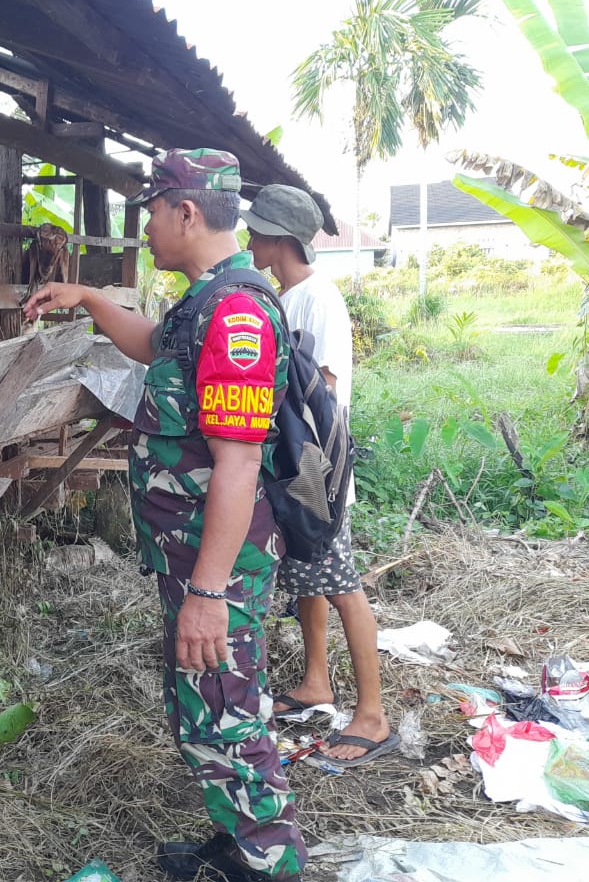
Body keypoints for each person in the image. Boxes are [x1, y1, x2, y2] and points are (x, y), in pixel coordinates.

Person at [24, 150, 305, 882]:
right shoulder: (204, 299)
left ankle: (268, 863)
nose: (144, 225)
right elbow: (154, 347)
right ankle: (238, 840)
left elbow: (239, 464)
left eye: (151, 211)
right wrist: (86, 297)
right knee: (207, 701)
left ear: (186, 211)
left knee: (224, 704)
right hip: (189, 555)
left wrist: (208, 596)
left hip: (217, 566)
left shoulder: (237, 313)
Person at [243, 184, 395, 766]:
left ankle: (373, 714)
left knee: (341, 585)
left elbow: (322, 391)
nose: (249, 240)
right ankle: (315, 684)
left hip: (317, 477)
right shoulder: (287, 295)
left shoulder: (318, 299)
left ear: (279, 240)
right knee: (310, 577)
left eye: (256, 232)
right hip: (295, 471)